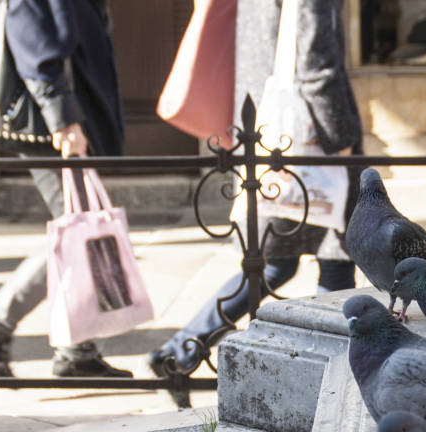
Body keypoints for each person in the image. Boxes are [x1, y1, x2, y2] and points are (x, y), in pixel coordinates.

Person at [147, 0, 362, 395]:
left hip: (269, 131)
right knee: (333, 263)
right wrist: (342, 137)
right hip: (309, 140)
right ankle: (334, 387)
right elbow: (317, 63)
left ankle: (179, 352)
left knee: (273, 264)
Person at [0, 0, 132, 378]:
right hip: (50, 126)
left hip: (67, 119)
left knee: (81, 227)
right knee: (77, 230)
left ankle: (78, 350)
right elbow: (31, 39)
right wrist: (61, 117)